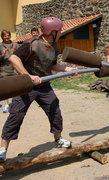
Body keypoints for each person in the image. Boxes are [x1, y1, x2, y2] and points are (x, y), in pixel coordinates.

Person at [0, 17, 77, 162]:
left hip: (44, 86)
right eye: (59, 30)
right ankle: (2, 149)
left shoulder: (53, 46)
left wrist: (67, 68)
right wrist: (28, 76)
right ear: (52, 31)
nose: (61, 33)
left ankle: (58, 138)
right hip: (26, 86)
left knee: (55, 111)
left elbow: (53, 64)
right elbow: (14, 59)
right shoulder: (32, 44)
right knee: (16, 115)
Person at [0, 29, 19, 113]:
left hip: (14, 69)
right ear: (2, 37)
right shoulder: (0, 46)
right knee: (6, 88)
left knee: (16, 86)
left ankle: (15, 103)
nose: (6, 37)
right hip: (4, 70)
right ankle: (6, 105)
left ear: (10, 35)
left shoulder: (15, 45)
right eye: (4, 35)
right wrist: (2, 55)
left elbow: (20, 56)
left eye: (8, 35)